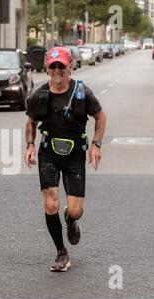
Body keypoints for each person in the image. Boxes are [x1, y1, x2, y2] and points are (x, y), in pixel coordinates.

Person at [24, 47, 107, 272]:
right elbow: (30, 122)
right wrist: (30, 145)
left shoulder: (82, 92)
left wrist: (96, 145)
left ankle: (70, 220)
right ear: (48, 69)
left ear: (70, 66)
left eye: (62, 65)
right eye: (54, 66)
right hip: (48, 153)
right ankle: (61, 252)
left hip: (75, 155)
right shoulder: (40, 95)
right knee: (51, 202)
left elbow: (100, 117)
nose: (58, 70)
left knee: (76, 210)